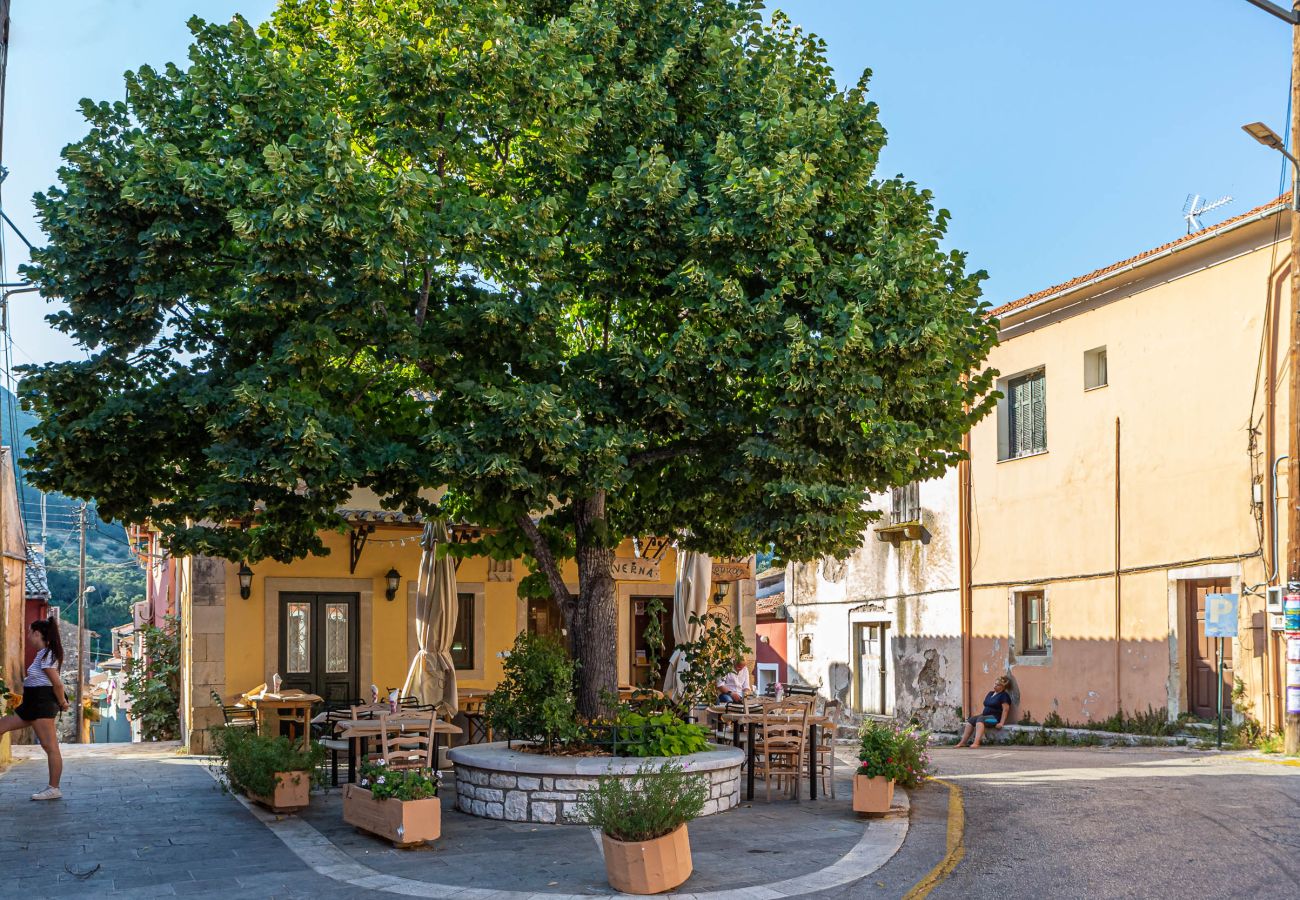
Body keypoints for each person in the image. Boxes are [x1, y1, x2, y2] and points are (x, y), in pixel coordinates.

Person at [0, 617, 70, 799]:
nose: (28, 636)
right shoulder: (42, 654)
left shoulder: (47, 655)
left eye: (30, 632)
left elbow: (57, 684)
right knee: (1, 726)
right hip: (31, 703)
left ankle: (54, 788)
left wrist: (62, 702)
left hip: (41, 703)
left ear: (37, 634)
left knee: (50, 746)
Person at [954, 675, 1012, 749]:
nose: (995, 686)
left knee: (980, 719)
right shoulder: (990, 693)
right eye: (995, 683)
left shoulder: (1004, 696)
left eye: (998, 685)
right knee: (971, 720)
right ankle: (963, 742)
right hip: (985, 716)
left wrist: (1001, 723)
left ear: (1003, 687)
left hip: (995, 719)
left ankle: (976, 743)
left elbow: (1005, 710)